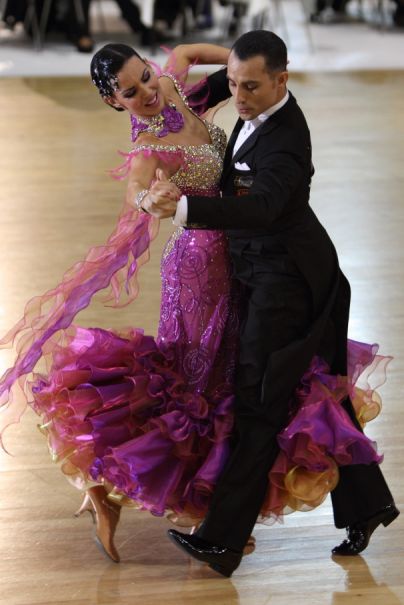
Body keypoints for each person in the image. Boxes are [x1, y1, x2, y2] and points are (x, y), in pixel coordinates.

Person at [0, 36, 395, 569]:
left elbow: (189, 58)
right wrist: (153, 201)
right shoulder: (151, 143)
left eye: (145, 77)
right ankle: (174, 506)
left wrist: (235, 64)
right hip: (205, 268)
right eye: (129, 92)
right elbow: (138, 191)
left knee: (282, 388)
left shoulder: (195, 99)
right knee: (209, 390)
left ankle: (234, 525)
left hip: (271, 266)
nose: (145, 93)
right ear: (113, 101)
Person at [141, 30, 400, 577]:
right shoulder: (248, 92)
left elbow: (260, 209)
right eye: (232, 82)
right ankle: (369, 503)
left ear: (282, 80)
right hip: (276, 270)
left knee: (259, 402)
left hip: (290, 283)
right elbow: (182, 84)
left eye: (250, 86)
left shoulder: (287, 142)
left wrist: (184, 208)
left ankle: (223, 541)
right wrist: (151, 100)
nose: (237, 95)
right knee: (317, 390)